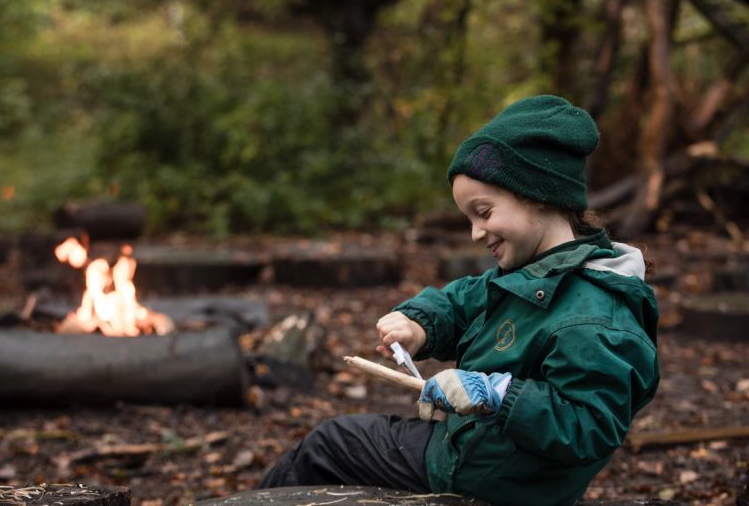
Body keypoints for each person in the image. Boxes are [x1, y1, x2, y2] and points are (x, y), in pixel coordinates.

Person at [258, 95, 659, 506]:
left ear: (539, 194)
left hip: (495, 480)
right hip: (479, 451)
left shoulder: (594, 313)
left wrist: (499, 393)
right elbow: (467, 298)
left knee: (330, 444)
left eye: (483, 212)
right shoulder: (537, 273)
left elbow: (590, 425)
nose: (475, 233)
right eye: (469, 219)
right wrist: (419, 324)